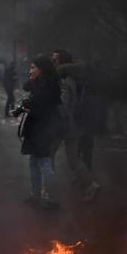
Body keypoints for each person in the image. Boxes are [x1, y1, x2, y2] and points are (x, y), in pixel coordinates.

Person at [51, 50, 100, 201]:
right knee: (73, 159)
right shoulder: (71, 78)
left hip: (63, 125)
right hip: (73, 125)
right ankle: (91, 185)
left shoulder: (65, 80)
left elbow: (63, 105)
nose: (52, 62)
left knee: (47, 154)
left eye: (55, 60)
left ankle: (48, 190)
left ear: (61, 62)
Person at [19, 54, 62, 210]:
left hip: (43, 128)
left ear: (42, 69)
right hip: (38, 128)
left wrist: (28, 103)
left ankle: (52, 198)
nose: (30, 70)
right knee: (34, 162)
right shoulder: (41, 82)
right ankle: (36, 195)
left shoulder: (47, 86)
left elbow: (39, 106)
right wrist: (32, 78)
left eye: (33, 67)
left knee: (44, 163)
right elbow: (25, 87)